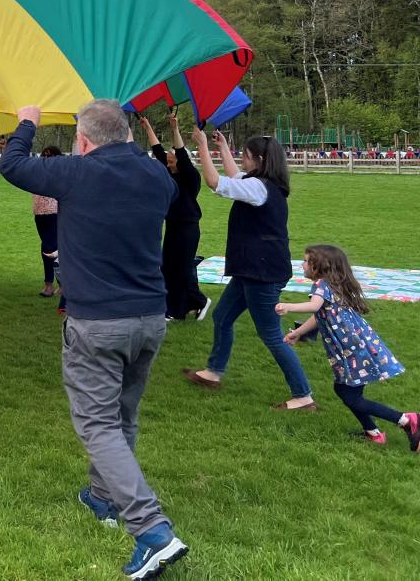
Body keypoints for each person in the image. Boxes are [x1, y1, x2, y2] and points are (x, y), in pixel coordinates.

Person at [0, 100, 188, 579]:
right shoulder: (156, 177)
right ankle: (102, 496)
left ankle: (152, 532)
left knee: (99, 425)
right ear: (126, 134)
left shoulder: (75, 174)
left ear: (82, 142)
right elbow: (160, 185)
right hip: (149, 319)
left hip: (98, 324)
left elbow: (13, 165)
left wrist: (28, 121)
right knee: (123, 416)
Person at [183, 129, 316, 411]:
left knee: (270, 334)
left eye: (245, 156)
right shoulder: (263, 184)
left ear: (260, 159)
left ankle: (303, 396)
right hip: (251, 270)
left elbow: (215, 182)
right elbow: (236, 177)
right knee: (222, 317)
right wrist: (222, 148)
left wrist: (203, 147)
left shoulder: (259, 189)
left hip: (262, 273)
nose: (241, 161)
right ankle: (213, 373)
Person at [278, 245, 419, 449]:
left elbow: (314, 306)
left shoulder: (321, 285)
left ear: (319, 266)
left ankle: (406, 420)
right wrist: (298, 333)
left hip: (351, 349)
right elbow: (320, 316)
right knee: (348, 392)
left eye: (306, 261)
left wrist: (288, 306)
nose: (303, 264)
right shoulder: (333, 284)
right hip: (354, 346)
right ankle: (373, 433)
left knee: (349, 394)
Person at [138, 113, 210, 322]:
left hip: (188, 228)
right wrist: (147, 126)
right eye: (168, 162)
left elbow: (181, 154)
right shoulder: (170, 172)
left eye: (172, 161)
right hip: (172, 225)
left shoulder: (190, 176)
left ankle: (196, 302)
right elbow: (158, 151)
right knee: (168, 268)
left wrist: (175, 129)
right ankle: (176, 309)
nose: (168, 164)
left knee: (181, 269)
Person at [32, 146, 61, 299]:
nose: (46, 158)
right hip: (39, 215)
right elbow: (15, 169)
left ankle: (50, 285)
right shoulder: (37, 173)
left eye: (50, 155)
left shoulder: (61, 173)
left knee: (48, 249)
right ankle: (64, 283)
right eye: (44, 155)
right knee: (53, 248)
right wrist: (7, 149)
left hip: (54, 214)